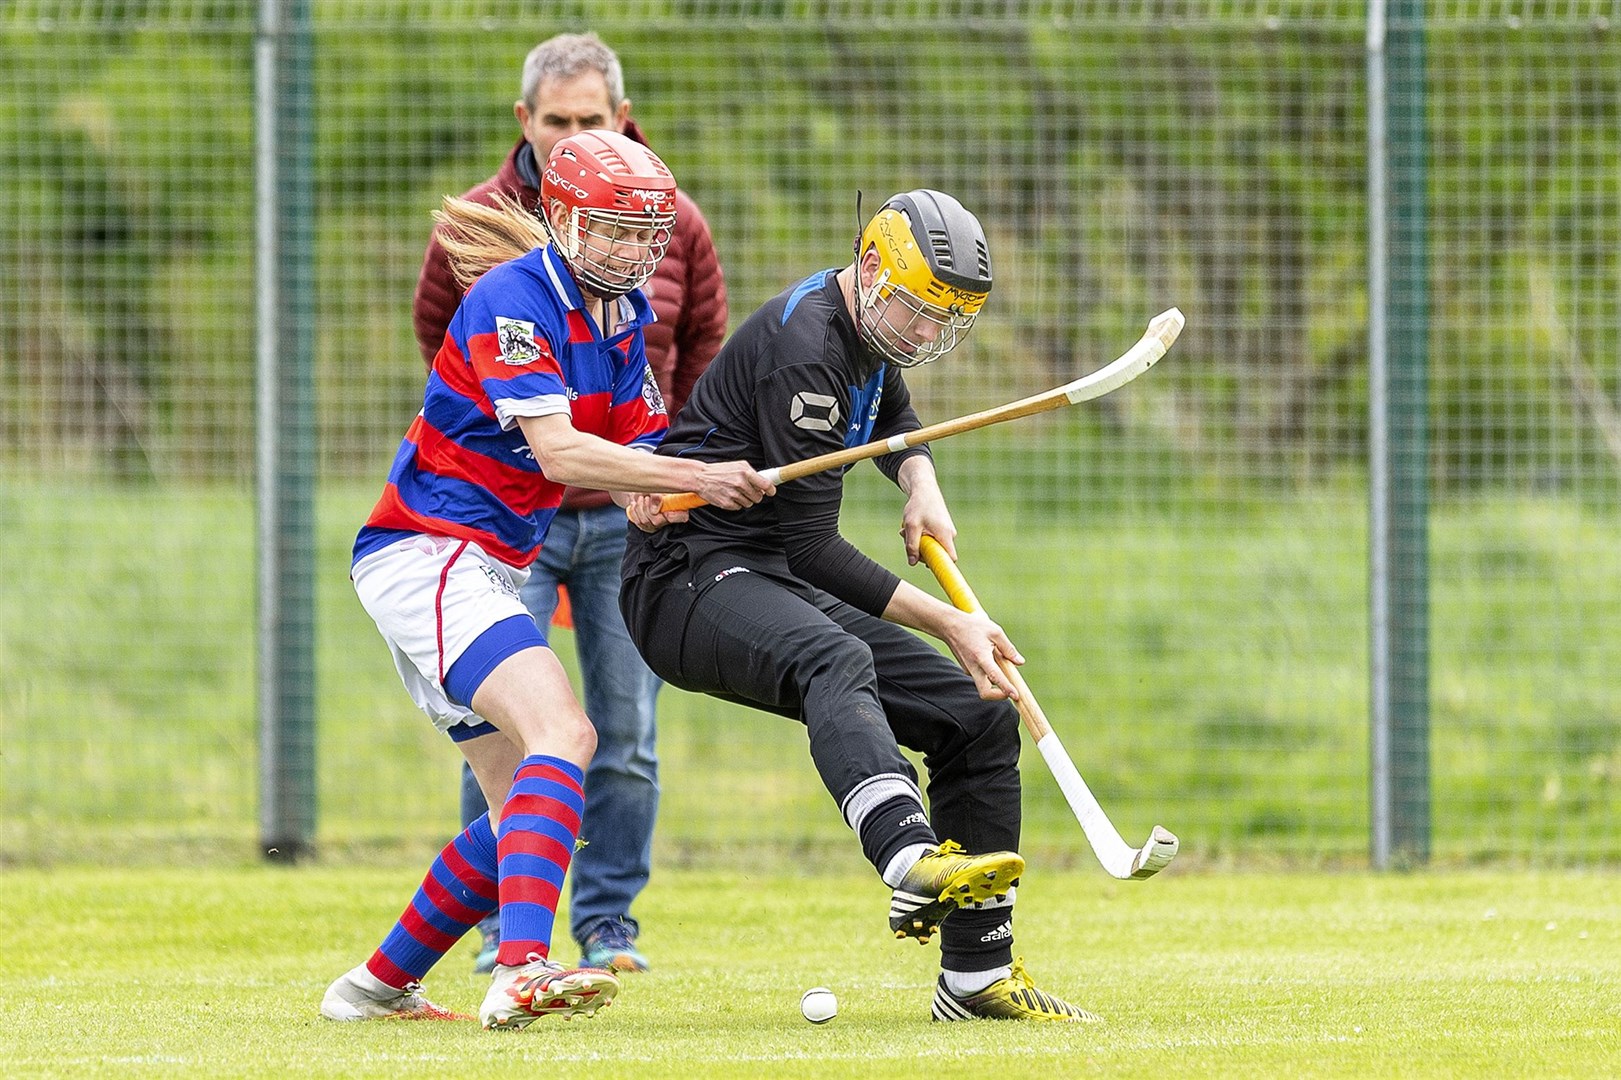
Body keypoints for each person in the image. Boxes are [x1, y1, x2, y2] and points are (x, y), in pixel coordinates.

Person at [320, 129, 773, 1031]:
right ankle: (521, 968)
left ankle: (373, 986)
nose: (635, 251)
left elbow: (637, 457)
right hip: (429, 550)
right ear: (563, 220)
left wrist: (677, 494)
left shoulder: (623, 316)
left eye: (648, 235)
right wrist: (688, 478)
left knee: (513, 809)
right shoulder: (513, 299)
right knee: (566, 731)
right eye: (613, 231)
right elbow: (559, 449)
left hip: (476, 562)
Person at [618, 189, 1099, 1022]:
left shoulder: (865, 327)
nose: (921, 335)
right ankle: (908, 858)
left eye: (939, 322)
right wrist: (952, 622)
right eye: (915, 312)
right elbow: (814, 551)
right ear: (872, 268)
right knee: (832, 658)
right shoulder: (804, 347)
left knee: (975, 715)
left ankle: (976, 978)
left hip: (762, 570)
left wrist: (921, 482)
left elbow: (891, 412)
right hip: (685, 577)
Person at [413, 31, 728, 977]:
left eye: (590, 120)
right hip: (510, 524)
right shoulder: (476, 227)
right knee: (509, 728)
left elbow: (699, 353)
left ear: (620, 119)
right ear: (526, 122)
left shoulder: (676, 226)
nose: (571, 136)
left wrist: (676, 477)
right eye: (556, 122)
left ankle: (607, 926)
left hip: (631, 515)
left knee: (623, 732)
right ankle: (507, 935)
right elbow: (443, 348)